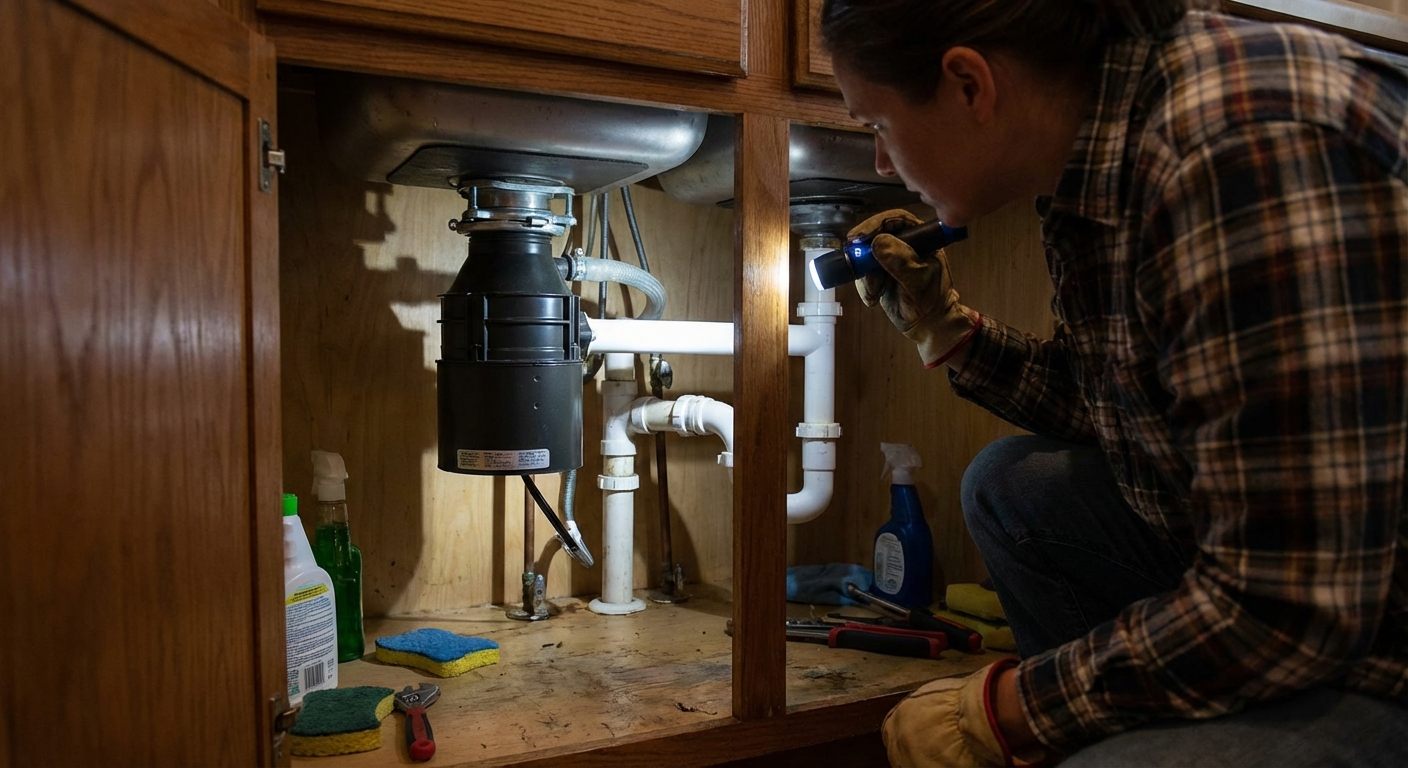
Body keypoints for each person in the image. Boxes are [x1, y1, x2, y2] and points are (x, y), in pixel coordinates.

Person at [820, 0, 1408, 765]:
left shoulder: (1238, 148)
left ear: (969, 83)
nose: (882, 166)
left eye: (877, 127)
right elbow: (1125, 403)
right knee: (1014, 487)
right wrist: (948, 331)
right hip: (1329, 590)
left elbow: (1287, 608)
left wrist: (1008, 710)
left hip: (1362, 626)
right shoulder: (1107, 150)